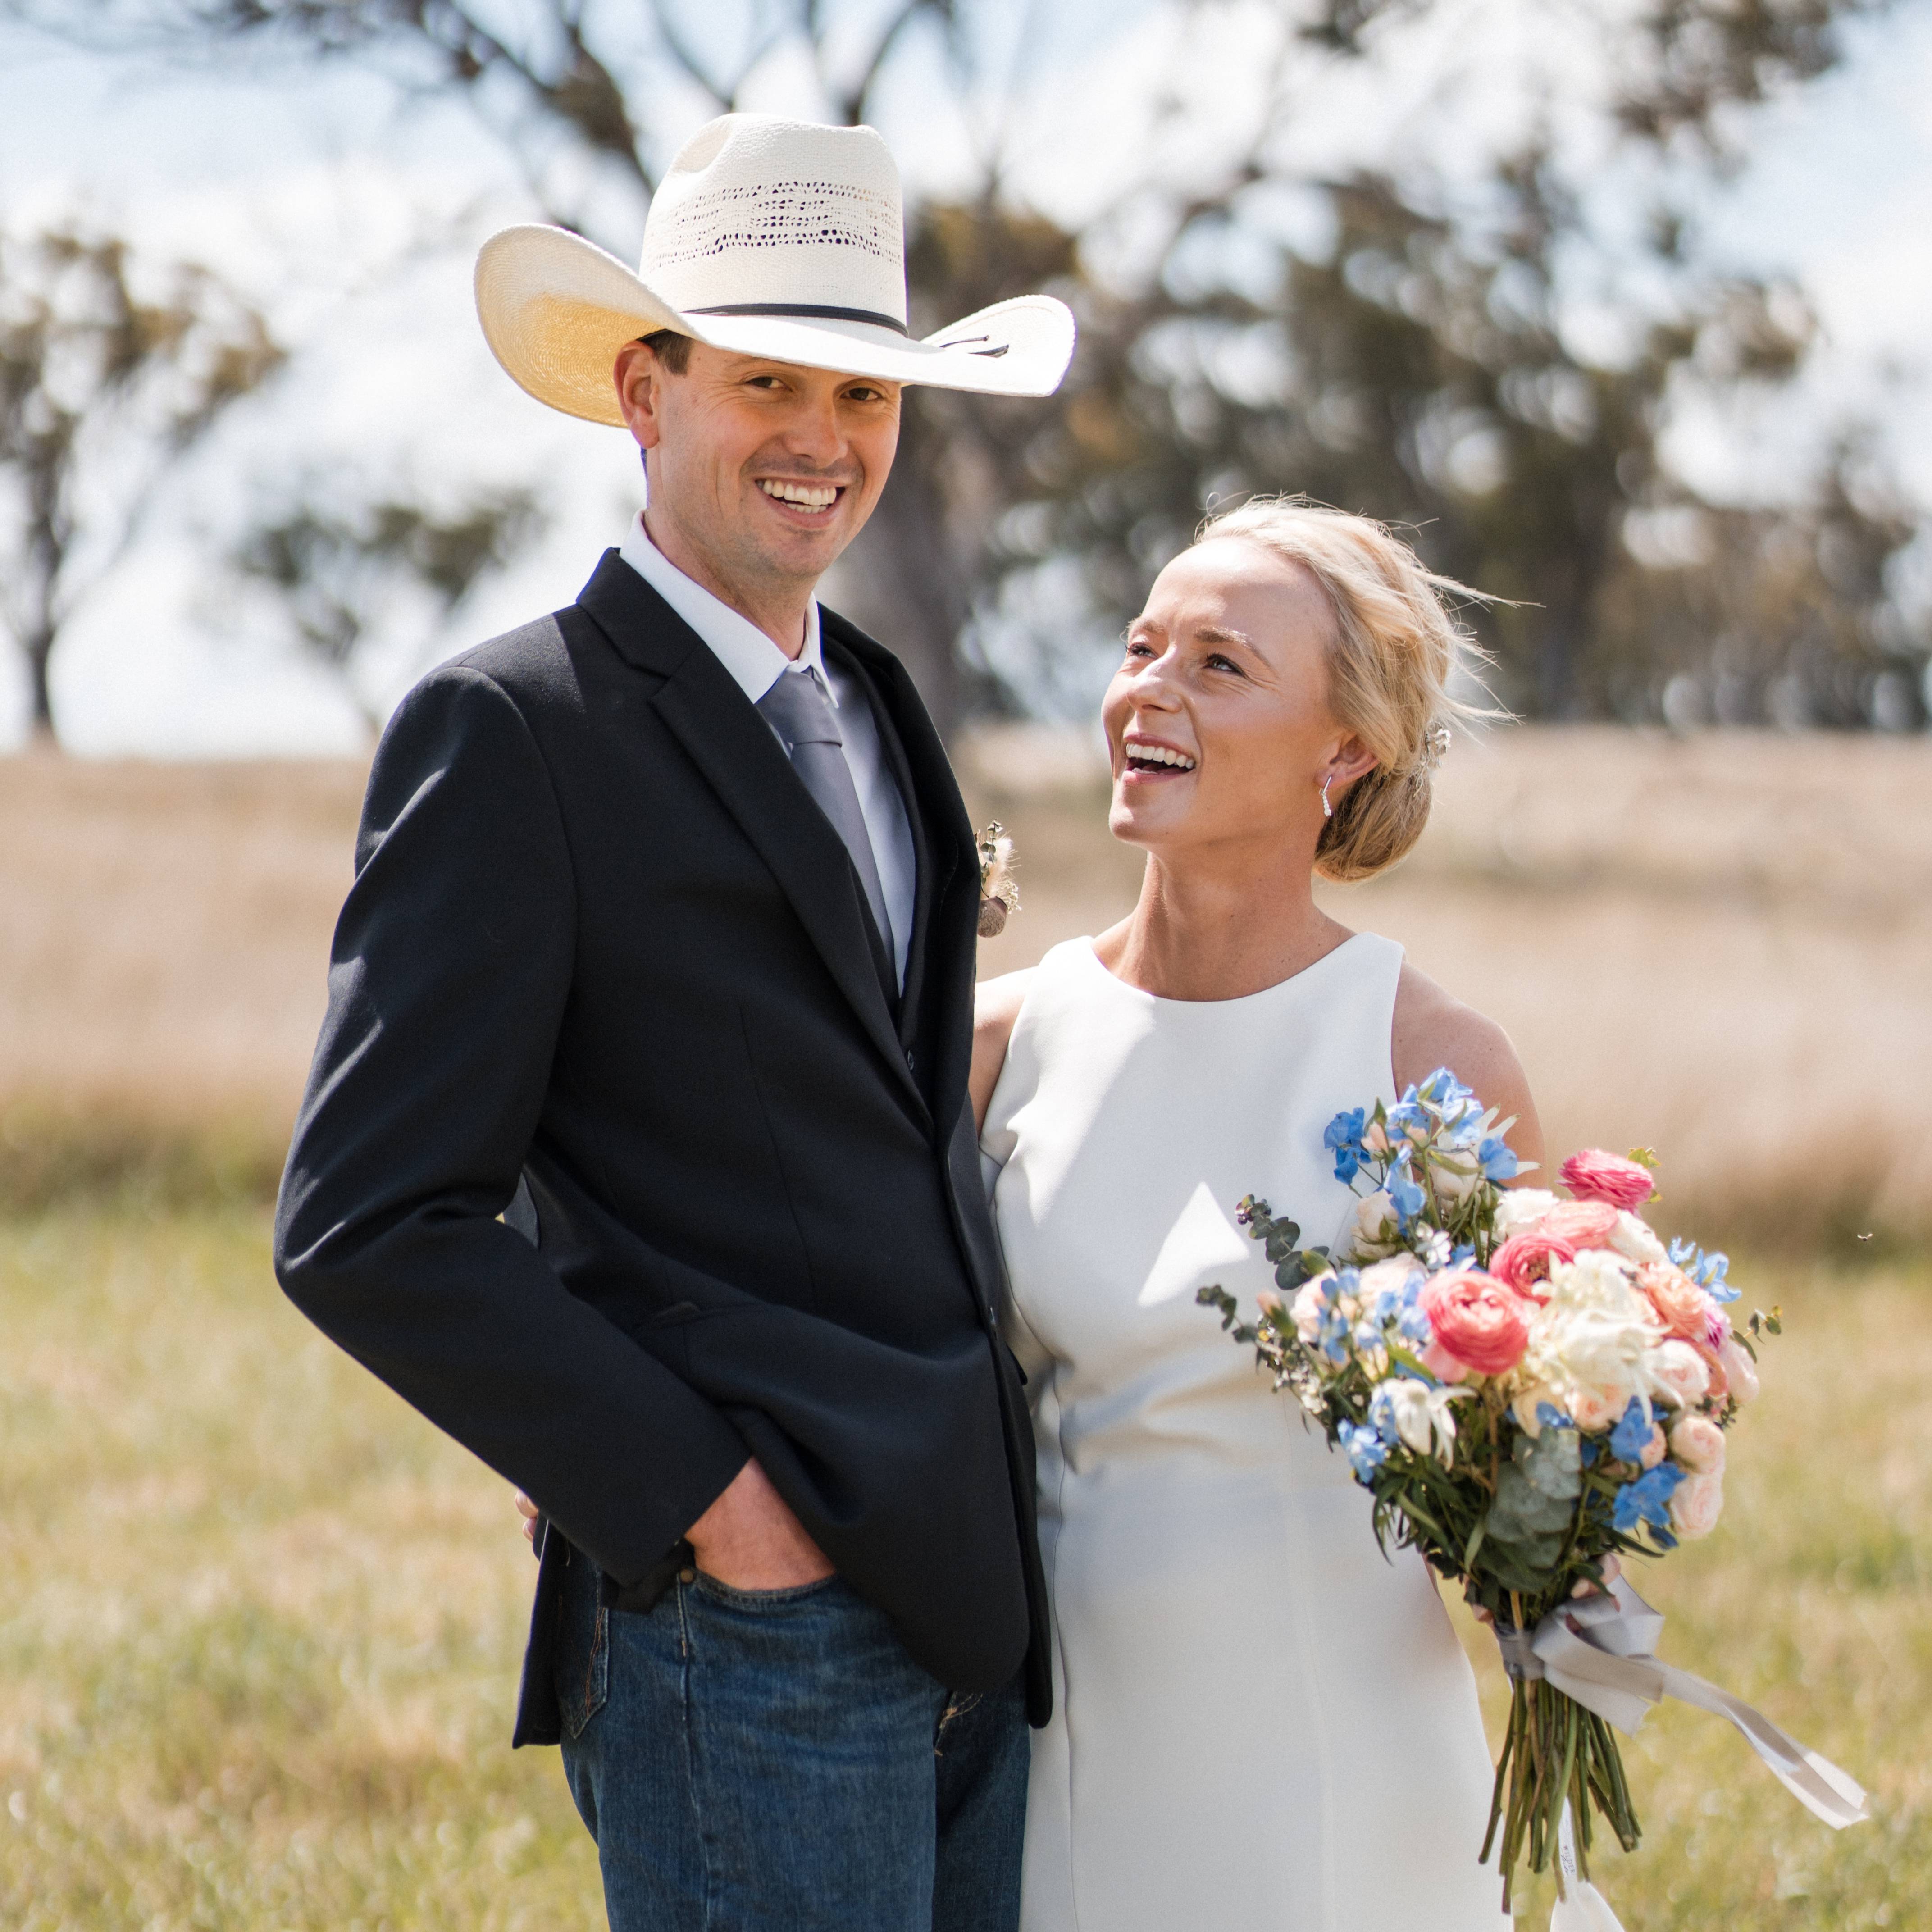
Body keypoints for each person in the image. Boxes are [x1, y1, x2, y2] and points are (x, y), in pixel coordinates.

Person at [274, 113, 1074, 1932]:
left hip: (968, 1607)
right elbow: (368, 1225)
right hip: (748, 1635)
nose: (823, 441)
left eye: (866, 398)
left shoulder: (881, 711)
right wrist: (708, 1504)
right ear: (646, 391)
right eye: (768, 383)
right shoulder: (516, 731)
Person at [971, 498, 1534, 1929]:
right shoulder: (999, 1042)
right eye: (1143, 645)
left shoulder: (1432, 1064)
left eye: (1220, 665)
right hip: (1070, 1768)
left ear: (1346, 751)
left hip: (1348, 1778)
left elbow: (1523, 1478)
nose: (1150, 689)